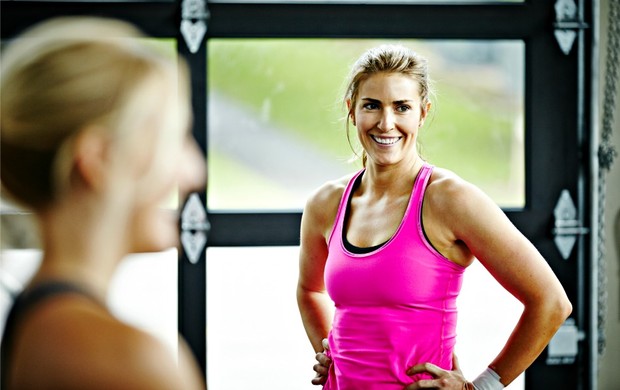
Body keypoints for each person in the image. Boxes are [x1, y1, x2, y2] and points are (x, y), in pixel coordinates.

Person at [296, 44, 572, 389]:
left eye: (402, 107)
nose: (386, 123)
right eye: (372, 105)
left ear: (422, 113)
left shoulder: (450, 199)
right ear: (352, 110)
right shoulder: (325, 203)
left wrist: (481, 386)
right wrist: (327, 350)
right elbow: (310, 290)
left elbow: (551, 302)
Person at [0, 17, 206, 389]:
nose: (194, 172)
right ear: (98, 159)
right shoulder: (127, 362)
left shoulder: (36, 321)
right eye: (173, 139)